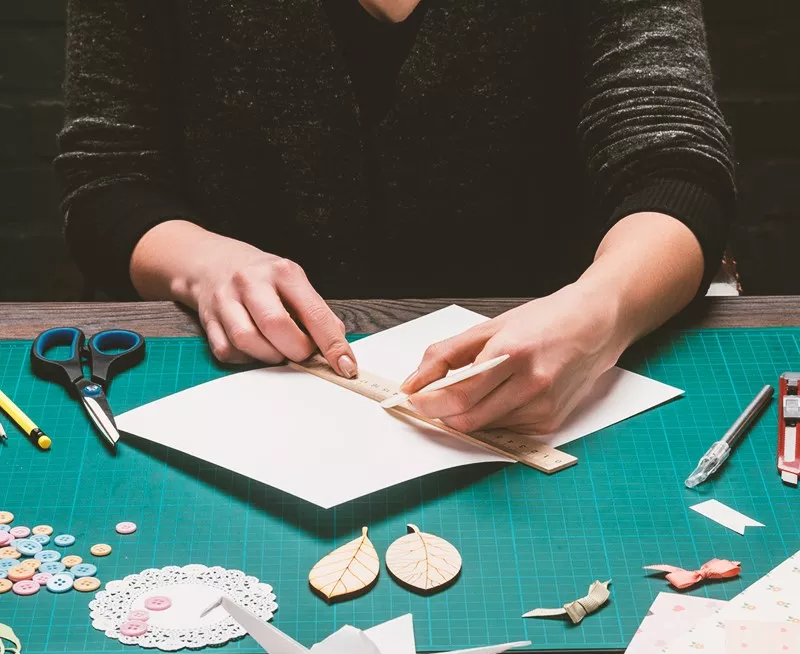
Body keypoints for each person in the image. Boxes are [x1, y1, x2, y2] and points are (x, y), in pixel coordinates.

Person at [56, 0, 734, 435]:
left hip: (547, 385)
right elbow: (109, 177)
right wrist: (202, 266)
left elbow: (674, 165)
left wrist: (602, 312)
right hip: (237, 388)